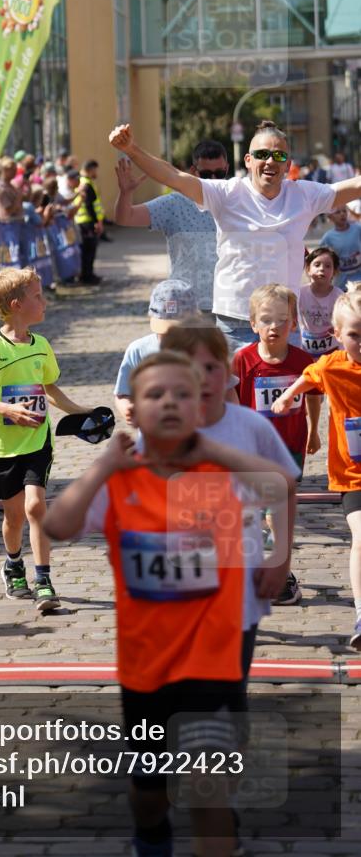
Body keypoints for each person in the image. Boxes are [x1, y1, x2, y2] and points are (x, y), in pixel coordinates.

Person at [43, 350, 295, 857]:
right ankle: (151, 837)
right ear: (133, 408)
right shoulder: (120, 478)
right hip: (146, 664)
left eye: (183, 394)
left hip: (212, 657)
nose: (171, 403)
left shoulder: (219, 472)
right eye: (156, 394)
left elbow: (279, 484)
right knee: (150, 792)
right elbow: (57, 526)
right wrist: (104, 464)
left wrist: (212, 449)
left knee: (206, 786)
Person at [109, 120, 361, 351]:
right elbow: (173, 176)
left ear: (288, 164)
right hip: (236, 321)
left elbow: (354, 186)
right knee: (233, 397)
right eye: (262, 154)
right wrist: (131, 148)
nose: (270, 161)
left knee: (285, 400)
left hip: (284, 322)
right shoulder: (227, 193)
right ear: (249, 160)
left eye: (279, 155)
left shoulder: (304, 195)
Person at [157, 321, 298, 687]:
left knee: (233, 678)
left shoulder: (252, 428)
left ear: (229, 372)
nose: (202, 379)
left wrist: (281, 558)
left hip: (242, 570)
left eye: (211, 368)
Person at [0, 267, 92, 611]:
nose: (44, 302)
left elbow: (49, 389)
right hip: (3, 446)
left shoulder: (41, 346)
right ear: (17, 305)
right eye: (38, 296)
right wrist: (6, 408)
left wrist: (80, 411)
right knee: (14, 517)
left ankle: (44, 579)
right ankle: (14, 563)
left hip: (37, 442)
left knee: (36, 506)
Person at [272, 284, 361, 649]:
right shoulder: (331, 365)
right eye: (355, 334)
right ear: (336, 335)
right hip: (353, 475)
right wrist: (286, 397)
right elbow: (308, 376)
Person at [232, 284, 322, 606]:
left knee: (277, 511)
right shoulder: (241, 361)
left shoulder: (302, 360)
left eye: (282, 320)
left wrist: (313, 431)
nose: (274, 326)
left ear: (294, 324)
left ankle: (279, 575)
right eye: (266, 319)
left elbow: (313, 395)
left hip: (290, 448)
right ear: (253, 323)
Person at [114, 140, 228, 316]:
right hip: (187, 307)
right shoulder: (174, 204)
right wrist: (126, 193)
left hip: (228, 306)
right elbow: (125, 217)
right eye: (206, 174)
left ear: (227, 168)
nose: (213, 180)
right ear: (193, 172)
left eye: (219, 173)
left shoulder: (236, 200)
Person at [114, 279, 199, 425]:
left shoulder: (202, 349)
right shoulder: (138, 349)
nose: (169, 338)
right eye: (164, 331)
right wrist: (127, 408)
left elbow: (225, 390)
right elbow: (122, 393)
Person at [299, 247, 343, 356]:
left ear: (334, 271)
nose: (322, 269)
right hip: (306, 351)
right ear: (308, 269)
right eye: (317, 265)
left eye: (328, 266)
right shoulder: (300, 294)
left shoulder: (339, 296)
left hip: (332, 351)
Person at [73, 166, 104, 285]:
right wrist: (97, 222)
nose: (96, 173)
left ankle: (87, 274)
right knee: (89, 250)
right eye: (95, 170)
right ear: (90, 170)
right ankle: (87, 276)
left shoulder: (83, 183)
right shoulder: (86, 184)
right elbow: (89, 205)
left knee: (87, 250)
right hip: (87, 222)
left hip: (83, 221)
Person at [320, 206, 361, 287]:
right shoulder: (328, 237)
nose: (342, 214)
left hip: (359, 279)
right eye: (338, 212)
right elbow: (321, 257)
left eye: (344, 211)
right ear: (330, 217)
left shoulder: (357, 229)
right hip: (342, 282)